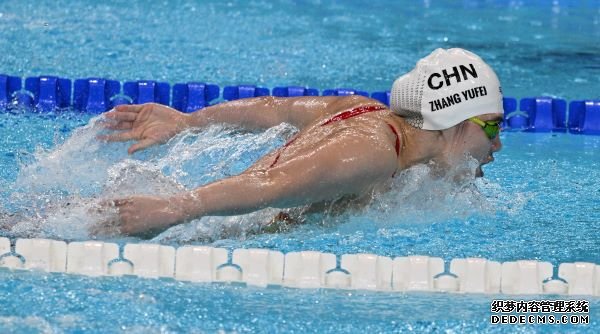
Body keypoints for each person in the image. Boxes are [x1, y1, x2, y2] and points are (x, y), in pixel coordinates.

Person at [96, 48, 504, 237]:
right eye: (492, 128)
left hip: (195, 219)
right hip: (194, 228)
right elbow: (273, 187)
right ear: (453, 119)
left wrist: (189, 122)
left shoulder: (364, 111)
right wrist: (174, 209)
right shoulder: (371, 154)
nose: (497, 146)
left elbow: (275, 110)